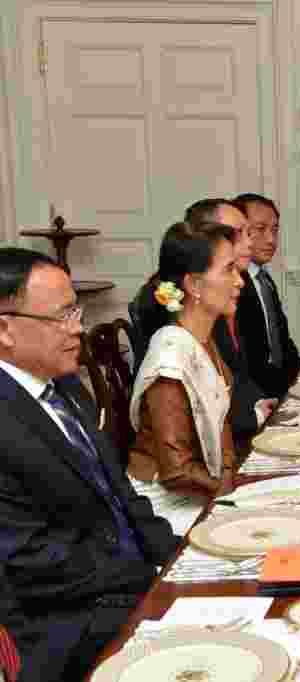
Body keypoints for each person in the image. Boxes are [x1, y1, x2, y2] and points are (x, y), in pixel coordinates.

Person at [0, 248, 177, 682]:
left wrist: (176, 557)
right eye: (60, 317)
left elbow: (120, 492)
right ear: (4, 329)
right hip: (65, 623)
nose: (77, 328)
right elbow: (32, 561)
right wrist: (147, 580)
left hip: (118, 580)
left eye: (75, 311)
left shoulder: (64, 384)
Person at [131, 199, 272, 440]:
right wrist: (256, 417)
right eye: (238, 233)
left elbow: (235, 379)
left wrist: (260, 408)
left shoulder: (209, 311)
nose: (248, 242)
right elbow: (180, 446)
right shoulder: (172, 343)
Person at [128, 222, 242, 511]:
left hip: (204, 489)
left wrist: (232, 475)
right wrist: (233, 493)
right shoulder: (170, 358)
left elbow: (222, 425)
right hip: (165, 507)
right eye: (229, 270)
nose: (239, 281)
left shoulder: (202, 339)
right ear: (194, 285)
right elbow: (177, 472)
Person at [234, 193, 300, 398]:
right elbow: (245, 361)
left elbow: (283, 342)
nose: (271, 240)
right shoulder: (233, 283)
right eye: (260, 229)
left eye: (274, 230)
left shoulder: (264, 279)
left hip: (280, 386)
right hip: (256, 396)